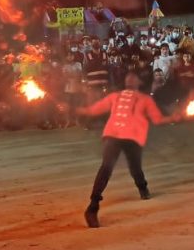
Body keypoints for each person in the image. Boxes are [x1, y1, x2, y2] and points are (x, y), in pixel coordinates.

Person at [75, 71, 181, 228]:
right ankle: (93, 206)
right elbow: (94, 109)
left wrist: (173, 118)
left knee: (135, 167)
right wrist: (77, 109)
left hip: (133, 137)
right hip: (113, 135)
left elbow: (157, 119)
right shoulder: (114, 96)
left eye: (134, 76)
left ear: (139, 81)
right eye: (128, 76)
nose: (130, 77)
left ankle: (143, 188)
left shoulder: (146, 99)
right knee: (106, 167)